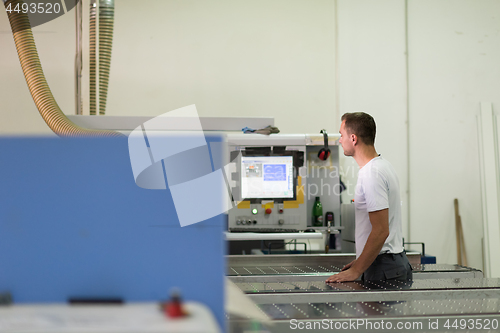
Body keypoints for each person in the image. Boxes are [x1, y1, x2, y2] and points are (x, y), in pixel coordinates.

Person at [326, 112, 412, 283]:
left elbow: (381, 230)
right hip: (384, 262)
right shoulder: (382, 166)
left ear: (353, 138)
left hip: (384, 267)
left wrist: (356, 270)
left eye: (341, 135)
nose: (339, 140)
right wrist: (362, 261)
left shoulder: (372, 173)